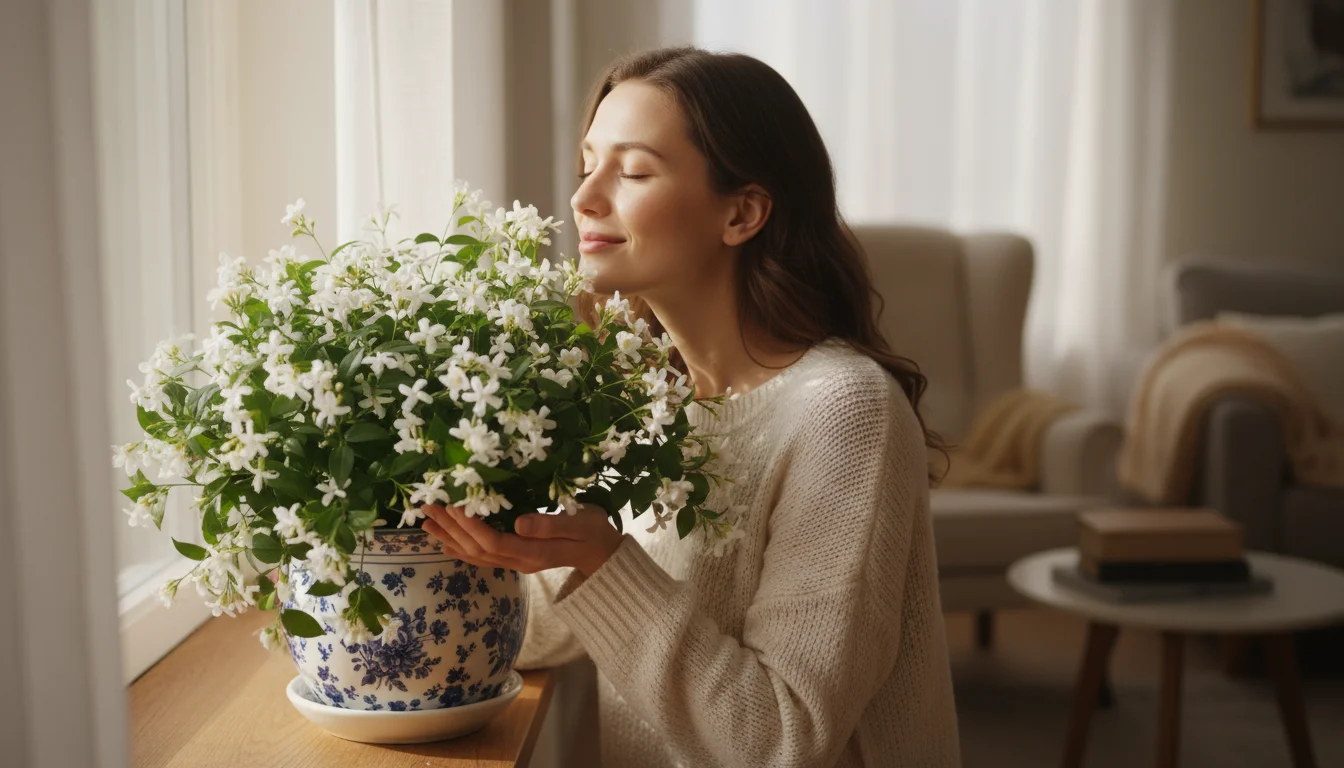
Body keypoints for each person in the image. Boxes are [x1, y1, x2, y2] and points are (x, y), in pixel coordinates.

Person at [419, 46, 961, 767]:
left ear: (742, 212)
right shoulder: (645, 401)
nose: (584, 197)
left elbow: (781, 740)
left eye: (635, 170)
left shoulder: (844, 412)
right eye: (588, 163)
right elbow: (550, 625)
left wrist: (603, 561)